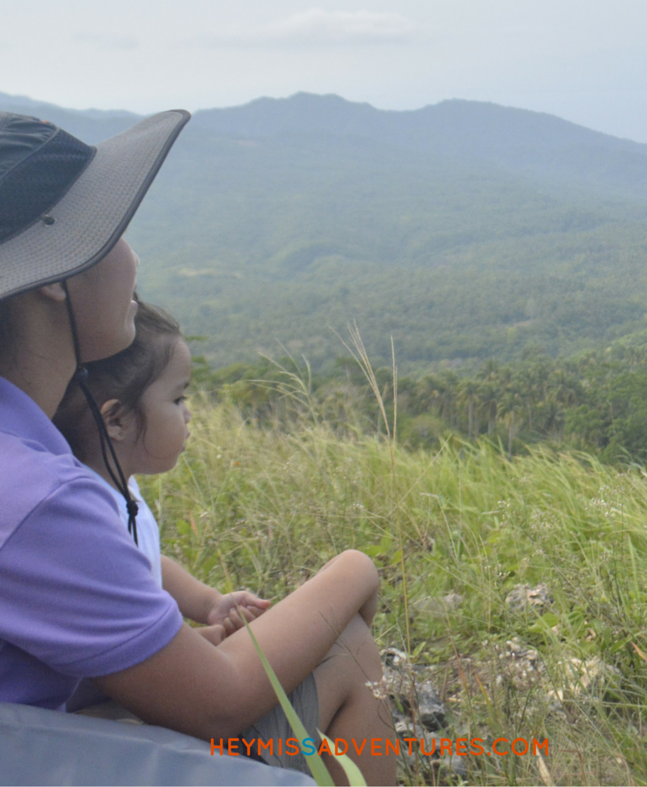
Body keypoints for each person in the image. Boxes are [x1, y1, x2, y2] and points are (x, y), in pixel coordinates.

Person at [0, 110, 396, 785]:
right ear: (54, 276)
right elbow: (217, 703)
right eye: (112, 232)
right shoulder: (35, 495)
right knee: (348, 652)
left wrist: (168, 650)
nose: (133, 257)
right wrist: (355, 567)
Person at [54, 298, 270, 654]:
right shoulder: (89, 517)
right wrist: (206, 642)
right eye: (177, 399)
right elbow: (111, 656)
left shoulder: (116, 485)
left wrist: (210, 604)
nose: (187, 415)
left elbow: (149, 566)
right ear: (116, 421)